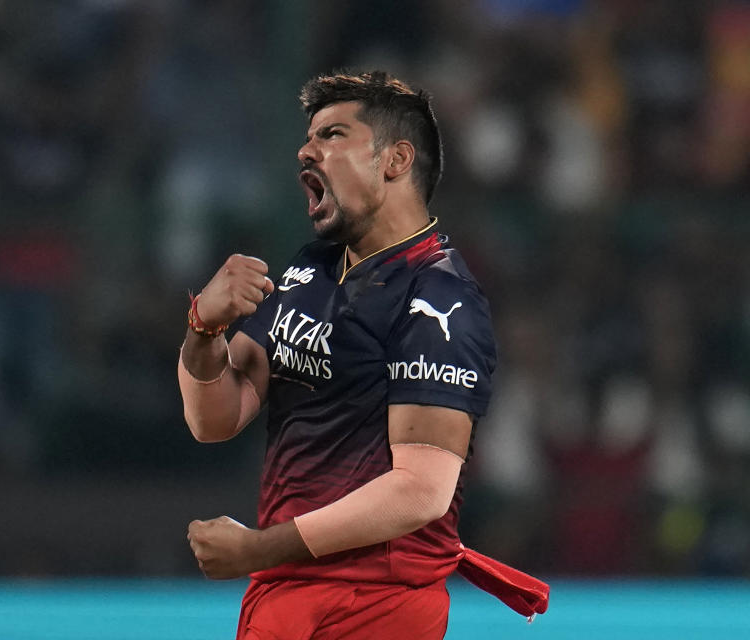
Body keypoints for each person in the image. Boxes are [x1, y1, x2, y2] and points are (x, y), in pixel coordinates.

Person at [179, 70, 547, 639]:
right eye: (308, 136)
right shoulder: (309, 268)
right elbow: (216, 418)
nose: (306, 149)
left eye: (332, 135)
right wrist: (204, 329)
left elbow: (421, 489)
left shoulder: (438, 296)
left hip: (378, 603)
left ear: (395, 161)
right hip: (284, 593)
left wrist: (259, 548)